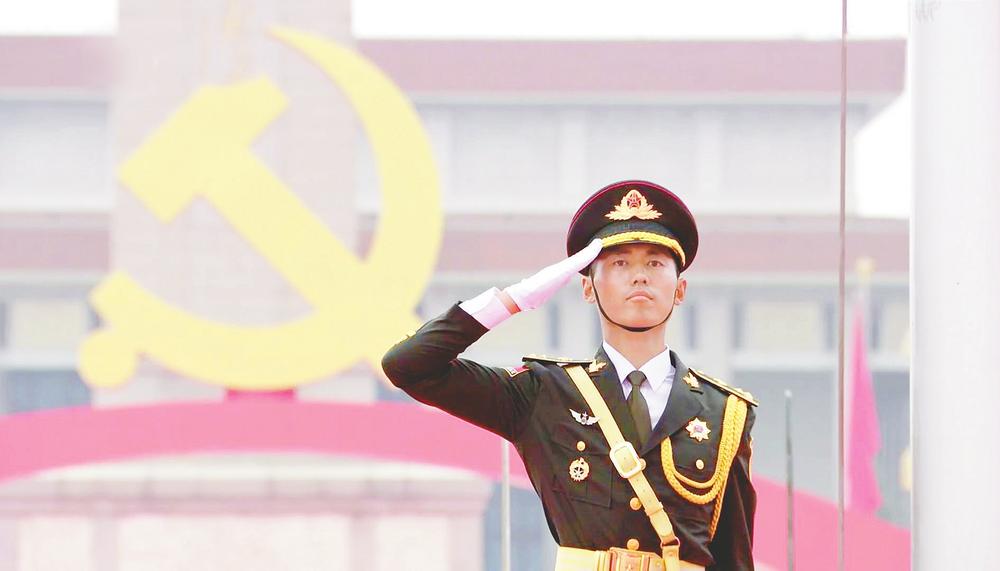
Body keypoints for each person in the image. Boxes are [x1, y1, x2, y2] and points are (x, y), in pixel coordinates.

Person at [382, 180, 758, 571]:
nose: (639, 277)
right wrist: (514, 299)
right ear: (588, 288)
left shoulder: (724, 412)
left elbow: (734, 557)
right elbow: (409, 367)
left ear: (680, 289)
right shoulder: (544, 394)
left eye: (655, 263)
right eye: (619, 263)